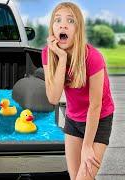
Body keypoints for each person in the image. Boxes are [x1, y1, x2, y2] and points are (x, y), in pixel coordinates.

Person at [42, 2, 114, 180]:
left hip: (98, 119)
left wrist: (87, 146)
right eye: (57, 20)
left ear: (78, 29)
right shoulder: (48, 54)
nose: (63, 25)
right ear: (52, 27)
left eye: (70, 21)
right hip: (73, 120)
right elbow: (53, 97)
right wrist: (61, 57)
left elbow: (95, 105)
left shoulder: (93, 57)